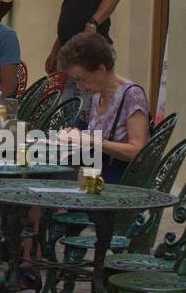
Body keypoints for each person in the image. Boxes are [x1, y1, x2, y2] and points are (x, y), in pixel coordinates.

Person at [58, 32, 150, 183]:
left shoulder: (132, 95)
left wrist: (91, 140)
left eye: (82, 79)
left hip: (120, 181)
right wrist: (75, 137)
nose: (80, 86)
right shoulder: (97, 97)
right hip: (97, 173)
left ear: (101, 70)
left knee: (56, 178)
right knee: (45, 170)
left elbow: (137, 151)